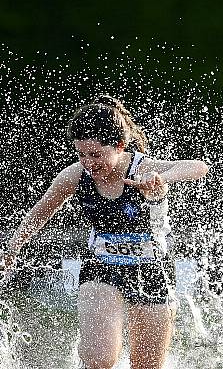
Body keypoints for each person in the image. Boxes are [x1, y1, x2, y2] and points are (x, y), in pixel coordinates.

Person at [0, 95, 209, 369]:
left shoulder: (142, 167)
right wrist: (12, 249)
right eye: (82, 154)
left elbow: (198, 167)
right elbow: (40, 212)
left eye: (96, 154)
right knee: (98, 359)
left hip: (151, 270)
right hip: (101, 267)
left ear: (119, 146)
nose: (89, 163)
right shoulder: (75, 175)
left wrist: (160, 179)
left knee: (146, 366)